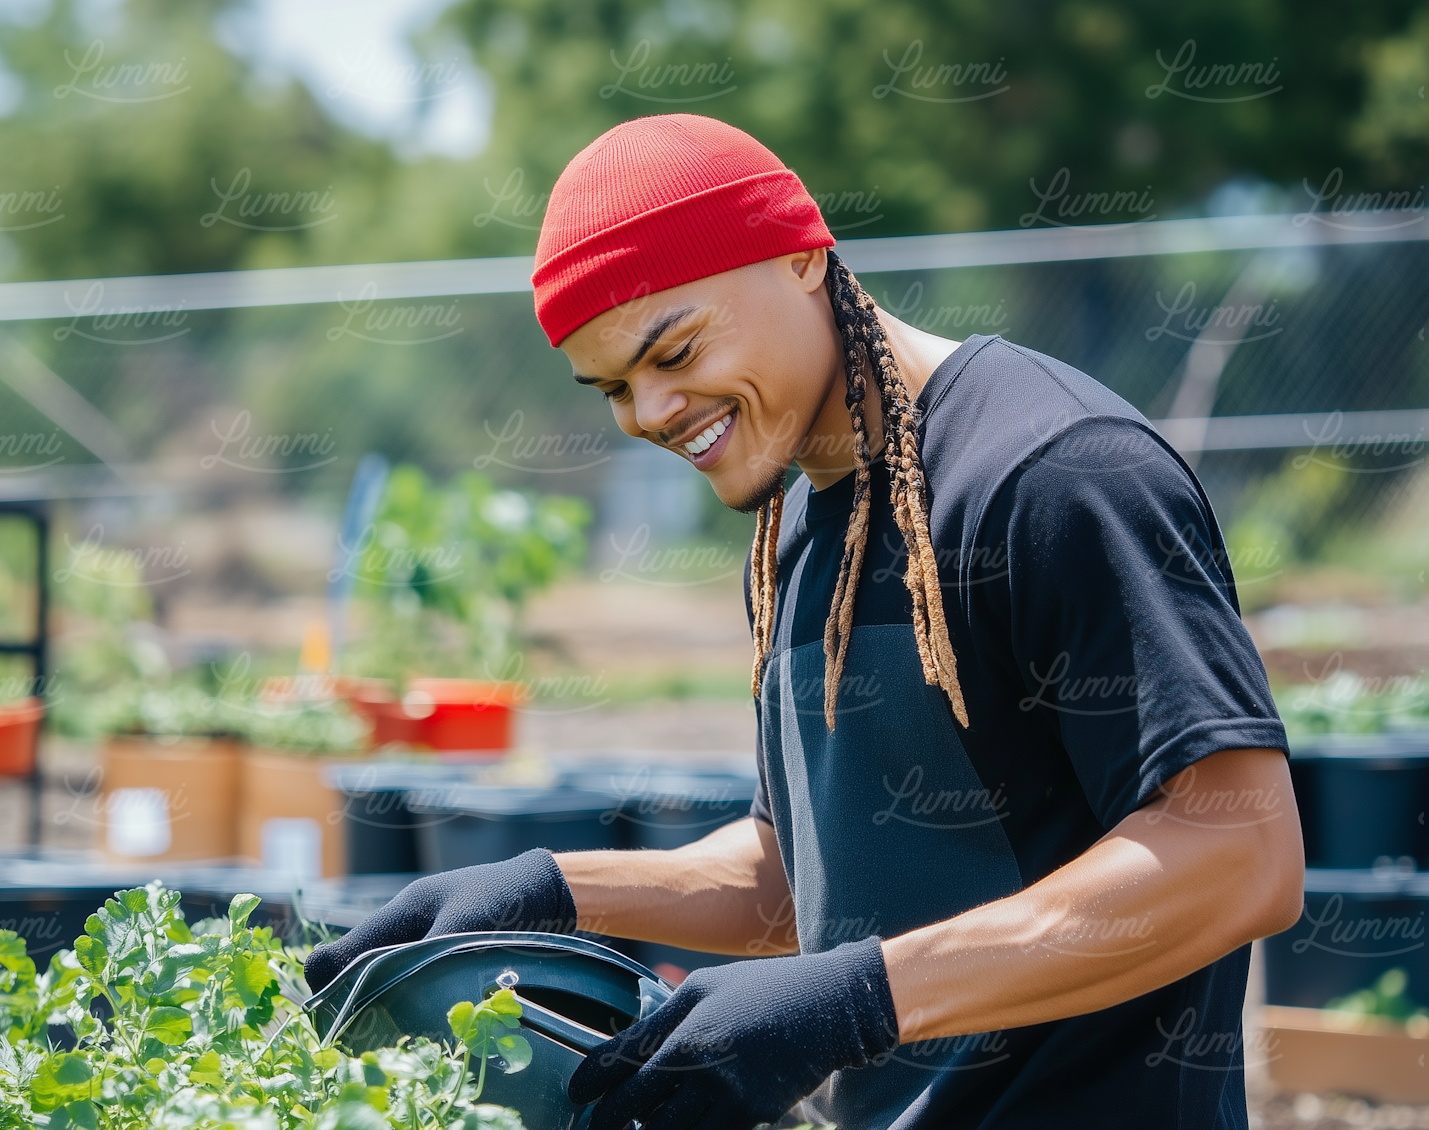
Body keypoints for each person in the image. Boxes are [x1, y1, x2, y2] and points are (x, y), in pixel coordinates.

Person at [306, 115, 1303, 1129]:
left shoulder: (1054, 473)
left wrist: (852, 1000)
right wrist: (549, 888)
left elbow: (1238, 858)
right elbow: (802, 879)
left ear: (798, 256)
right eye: (613, 387)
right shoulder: (795, 530)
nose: (651, 411)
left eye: (676, 350)